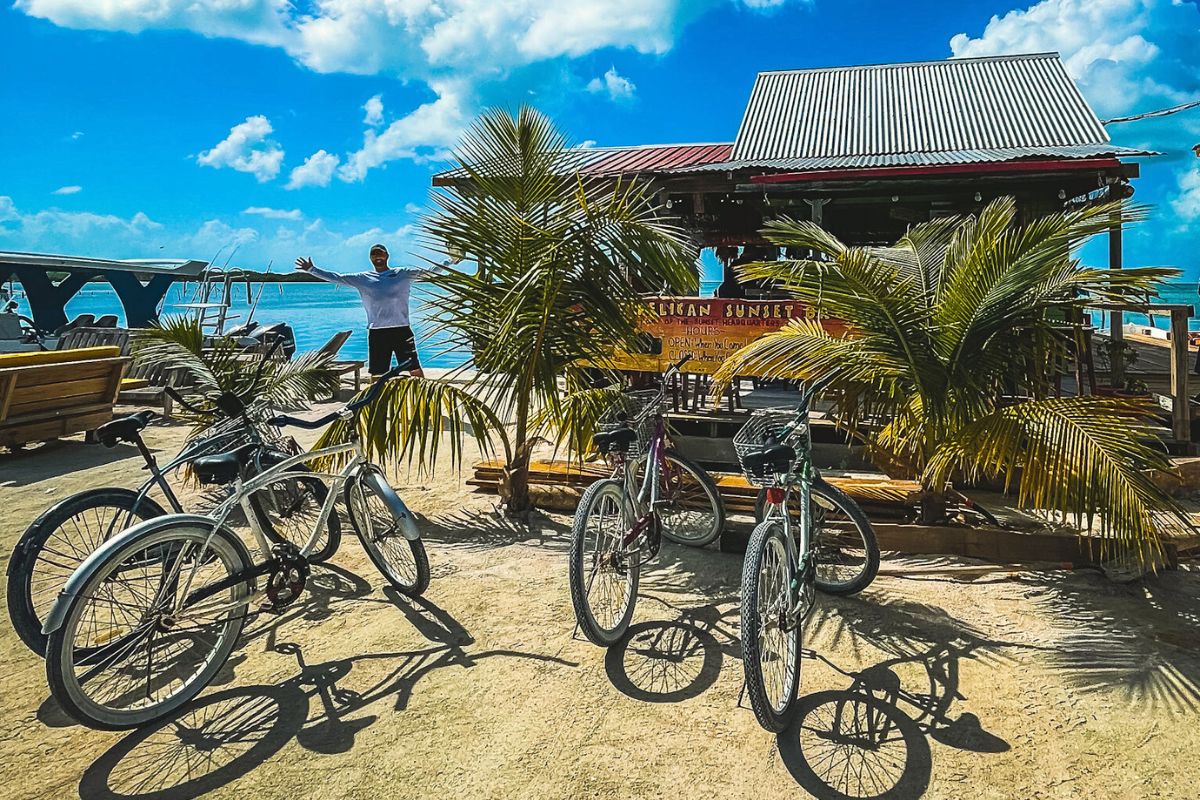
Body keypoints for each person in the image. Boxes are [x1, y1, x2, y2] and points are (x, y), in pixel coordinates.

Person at [295, 244, 428, 377]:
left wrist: (449, 260)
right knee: (378, 372)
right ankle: (377, 398)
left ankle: (424, 397)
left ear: (387, 255)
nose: (378, 257)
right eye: (374, 254)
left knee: (414, 367)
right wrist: (312, 269)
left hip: (402, 329)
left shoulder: (402, 274)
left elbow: (429, 272)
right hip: (377, 331)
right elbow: (337, 277)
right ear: (370, 258)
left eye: (380, 253)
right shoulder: (363, 278)